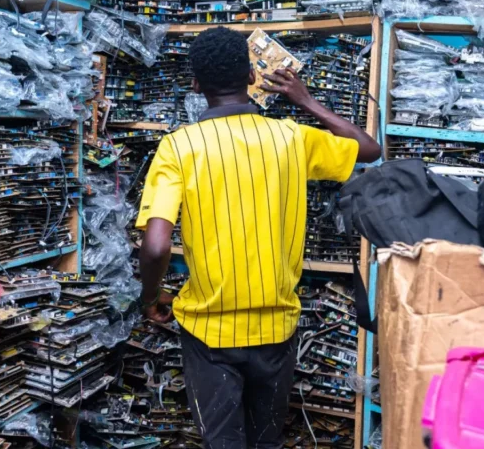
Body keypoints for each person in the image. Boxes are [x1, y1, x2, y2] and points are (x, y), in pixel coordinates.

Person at [135, 26, 381, 449]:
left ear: (195, 85)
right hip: (276, 327)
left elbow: (156, 246)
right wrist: (305, 100)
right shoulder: (291, 137)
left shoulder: (178, 147)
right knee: (267, 440)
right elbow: (369, 150)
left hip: (208, 331)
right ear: (251, 75)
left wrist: (150, 297)